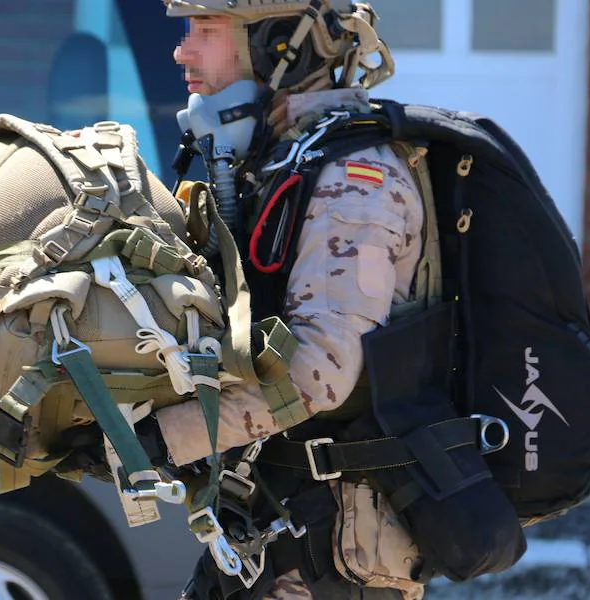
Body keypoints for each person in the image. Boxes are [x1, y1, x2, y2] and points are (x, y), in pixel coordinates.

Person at [149, 1, 429, 598]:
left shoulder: (355, 179)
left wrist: (158, 438)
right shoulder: (278, 161)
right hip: (270, 533)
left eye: (206, 31)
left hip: (330, 557)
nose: (182, 50)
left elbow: (319, 372)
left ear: (281, 45)